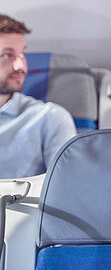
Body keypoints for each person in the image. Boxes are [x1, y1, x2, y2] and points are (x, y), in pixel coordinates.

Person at [0, 15, 76, 178]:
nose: (20, 66)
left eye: (23, 55)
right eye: (7, 55)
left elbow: (70, 191)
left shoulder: (49, 118)